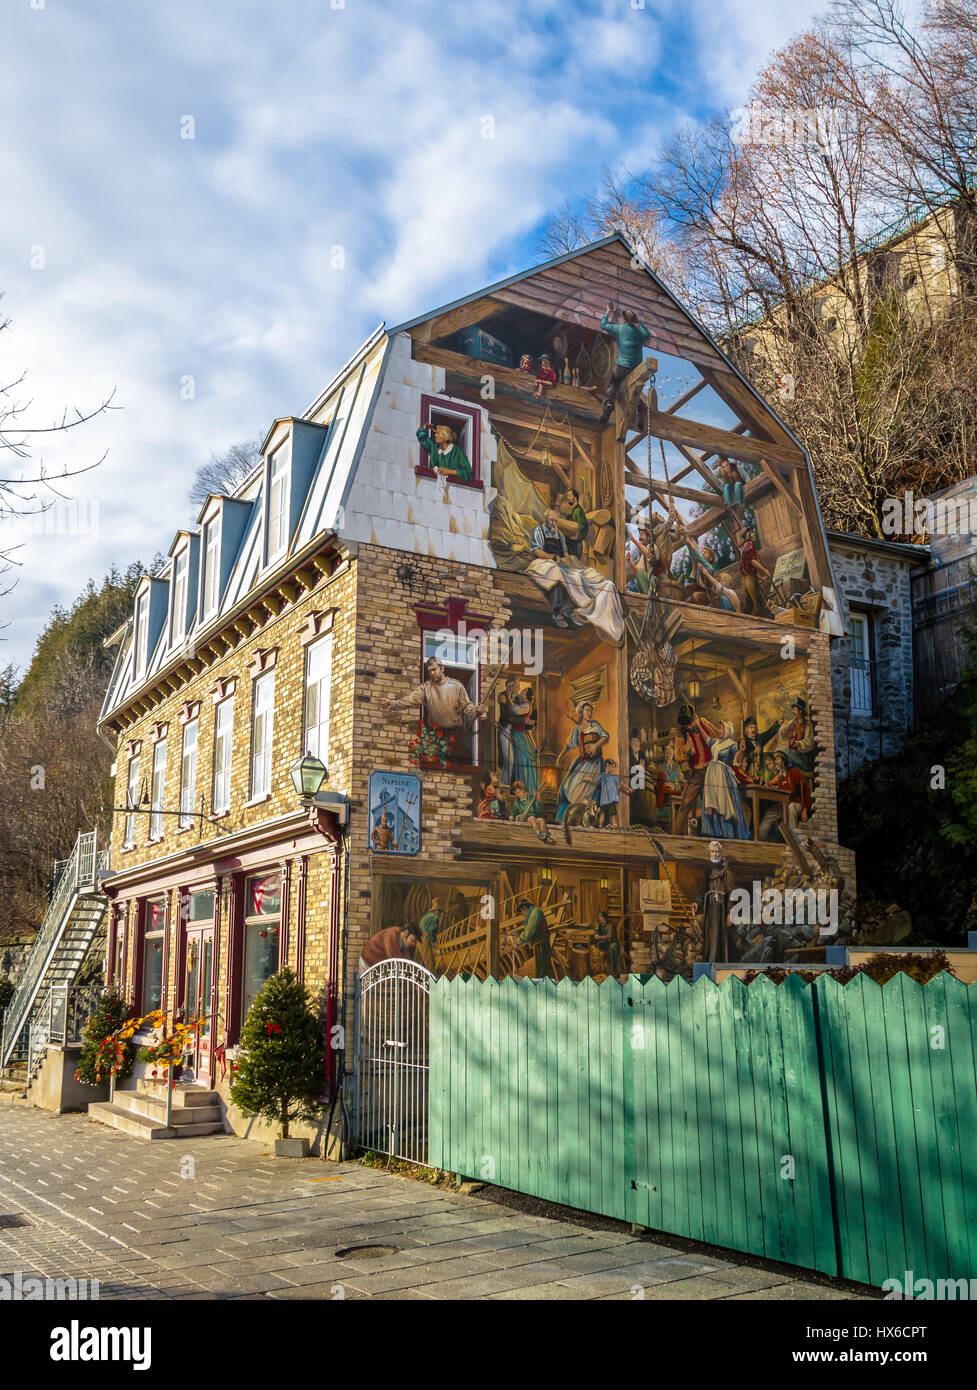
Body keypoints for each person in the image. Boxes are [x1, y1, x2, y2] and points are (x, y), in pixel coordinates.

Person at [527, 509, 625, 643]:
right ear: (546, 519)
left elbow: (565, 551)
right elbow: (536, 550)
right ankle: (558, 612)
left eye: (556, 521)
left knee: (580, 576)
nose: (554, 523)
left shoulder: (559, 534)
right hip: (544, 560)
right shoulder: (539, 530)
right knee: (556, 574)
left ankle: (573, 609)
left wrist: (566, 558)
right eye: (551, 520)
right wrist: (551, 557)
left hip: (559, 561)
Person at [380, 656, 487, 734]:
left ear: (442, 669)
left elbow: (467, 706)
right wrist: (393, 703)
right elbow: (411, 699)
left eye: (434, 669)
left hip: (456, 735)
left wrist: (476, 711)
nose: (432, 673)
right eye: (429, 671)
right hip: (435, 735)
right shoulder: (425, 688)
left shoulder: (456, 686)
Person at [556, 700, 610, 823]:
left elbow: (605, 736)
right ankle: (569, 817)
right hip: (582, 762)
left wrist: (596, 745)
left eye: (591, 711)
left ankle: (590, 819)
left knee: (592, 790)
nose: (589, 713)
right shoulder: (577, 729)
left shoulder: (595, 725)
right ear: (581, 712)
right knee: (569, 787)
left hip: (595, 764)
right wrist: (560, 756)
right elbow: (570, 744)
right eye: (587, 710)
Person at [599, 301, 651, 424]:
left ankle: (609, 404)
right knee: (634, 390)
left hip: (621, 366)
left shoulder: (619, 329)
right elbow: (647, 335)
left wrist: (608, 311)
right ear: (634, 320)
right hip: (635, 368)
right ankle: (639, 412)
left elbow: (603, 325)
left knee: (613, 386)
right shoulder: (639, 333)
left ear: (624, 320)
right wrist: (638, 323)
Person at [672, 708, 722, 835]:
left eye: (691, 722)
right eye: (687, 724)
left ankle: (714, 836)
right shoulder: (682, 734)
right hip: (696, 773)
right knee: (685, 804)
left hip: (711, 771)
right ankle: (674, 835)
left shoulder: (704, 723)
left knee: (712, 805)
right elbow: (679, 755)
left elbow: (718, 740)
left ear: (695, 717)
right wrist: (686, 749)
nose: (689, 726)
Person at [701, 720, 750, 840]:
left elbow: (737, 759)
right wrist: (698, 725)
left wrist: (742, 751)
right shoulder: (716, 742)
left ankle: (727, 833)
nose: (720, 731)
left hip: (723, 776)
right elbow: (707, 739)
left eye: (722, 728)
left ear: (727, 730)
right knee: (713, 803)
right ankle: (714, 832)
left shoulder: (731, 744)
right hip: (711, 775)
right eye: (719, 728)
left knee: (723, 804)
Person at [693, 841, 737, 963]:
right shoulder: (707, 872)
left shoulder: (727, 873)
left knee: (721, 938)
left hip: (722, 910)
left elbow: (732, 895)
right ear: (709, 853)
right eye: (712, 851)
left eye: (717, 851)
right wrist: (697, 903)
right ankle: (710, 963)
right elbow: (703, 890)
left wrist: (730, 914)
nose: (715, 854)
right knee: (711, 938)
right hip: (710, 910)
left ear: (721, 853)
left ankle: (720, 965)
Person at [497, 676, 538, 794]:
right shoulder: (502, 695)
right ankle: (503, 790)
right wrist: (523, 721)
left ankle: (513, 790)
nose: (519, 688)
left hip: (515, 733)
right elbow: (508, 717)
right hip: (505, 729)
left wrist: (526, 722)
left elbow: (524, 712)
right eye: (517, 685)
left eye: (520, 686)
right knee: (509, 760)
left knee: (517, 762)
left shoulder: (520, 698)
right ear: (509, 685)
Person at [759, 751, 812, 838]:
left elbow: (806, 790)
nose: (775, 761)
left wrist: (805, 810)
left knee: (791, 809)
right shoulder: (779, 776)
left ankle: (794, 839)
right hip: (785, 804)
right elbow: (770, 784)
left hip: (797, 803)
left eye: (778, 759)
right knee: (770, 813)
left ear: (783, 761)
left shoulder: (793, 772)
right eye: (775, 759)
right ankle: (760, 838)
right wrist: (764, 782)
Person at [738, 527, 772, 617]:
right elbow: (752, 561)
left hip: (745, 578)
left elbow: (748, 567)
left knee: (748, 604)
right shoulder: (750, 544)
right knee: (759, 604)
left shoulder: (743, 547)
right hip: (749, 578)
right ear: (748, 534)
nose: (754, 534)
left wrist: (760, 578)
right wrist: (765, 570)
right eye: (752, 532)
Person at [513, 898, 551, 977]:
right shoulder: (534, 913)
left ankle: (541, 986)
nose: (523, 916)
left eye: (522, 913)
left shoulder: (535, 913)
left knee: (540, 971)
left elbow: (528, 932)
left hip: (541, 945)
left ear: (524, 908)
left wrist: (518, 941)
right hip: (541, 944)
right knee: (541, 969)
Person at [509, 779, 554, 844]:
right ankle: (539, 833)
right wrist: (512, 816)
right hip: (526, 819)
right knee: (532, 818)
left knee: (541, 820)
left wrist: (538, 799)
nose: (518, 795)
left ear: (523, 789)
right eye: (516, 793)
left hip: (535, 818)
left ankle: (544, 836)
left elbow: (539, 810)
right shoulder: (517, 802)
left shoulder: (531, 797)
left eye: (518, 792)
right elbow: (514, 811)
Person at [741, 713, 781, 784]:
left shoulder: (760, 738)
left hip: (762, 769)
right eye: (751, 727)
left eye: (755, 727)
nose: (753, 729)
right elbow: (743, 758)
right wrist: (754, 752)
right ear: (746, 729)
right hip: (750, 771)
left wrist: (778, 723)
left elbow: (769, 733)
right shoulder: (744, 742)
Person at [561, 488, 589, 559]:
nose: (567, 498)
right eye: (567, 496)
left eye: (569, 496)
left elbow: (583, 526)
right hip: (569, 542)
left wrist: (576, 536)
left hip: (575, 544)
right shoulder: (571, 510)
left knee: (575, 564)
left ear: (575, 498)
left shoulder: (578, 510)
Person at [416, 899, 441, 973]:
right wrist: (434, 946)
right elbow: (431, 932)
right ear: (436, 911)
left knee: (418, 961)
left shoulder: (426, 916)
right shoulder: (435, 918)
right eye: (440, 912)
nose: (440, 914)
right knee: (430, 964)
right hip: (424, 939)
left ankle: (416, 980)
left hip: (418, 939)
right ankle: (432, 982)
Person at [595, 757, 622, 827]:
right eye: (612, 767)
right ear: (607, 765)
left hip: (611, 801)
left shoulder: (614, 777)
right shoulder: (602, 776)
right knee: (602, 816)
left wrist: (614, 792)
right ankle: (599, 830)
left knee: (612, 817)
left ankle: (615, 830)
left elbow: (620, 785)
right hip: (603, 801)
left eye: (614, 768)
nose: (613, 769)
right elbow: (595, 782)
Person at [593, 910, 621, 975]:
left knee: (612, 948)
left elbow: (609, 937)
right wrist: (595, 934)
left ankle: (614, 969)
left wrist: (599, 937)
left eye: (602, 918)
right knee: (596, 946)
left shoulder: (610, 925)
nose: (601, 920)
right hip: (605, 943)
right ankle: (601, 968)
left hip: (612, 942)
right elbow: (597, 933)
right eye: (600, 919)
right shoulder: (600, 925)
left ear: (605, 918)